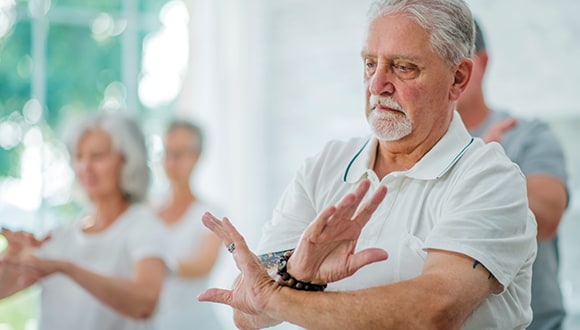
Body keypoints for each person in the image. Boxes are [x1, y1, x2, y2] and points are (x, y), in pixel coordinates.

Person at [197, 0, 538, 329]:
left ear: (458, 79)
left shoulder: (490, 179)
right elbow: (247, 314)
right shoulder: (325, 166)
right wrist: (298, 275)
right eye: (370, 64)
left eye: (403, 67)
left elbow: (432, 314)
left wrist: (277, 297)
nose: (377, 85)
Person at [0, 111, 167, 330]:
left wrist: (67, 268)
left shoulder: (143, 225)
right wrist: (9, 257)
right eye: (79, 156)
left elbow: (145, 303)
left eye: (97, 156)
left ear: (127, 160)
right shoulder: (61, 235)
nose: (85, 167)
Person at [457, 20, 569, 330]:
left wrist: (477, 171)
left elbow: (546, 218)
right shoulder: (404, 156)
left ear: (483, 61)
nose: (452, 74)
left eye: (458, 59)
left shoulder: (528, 135)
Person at [154, 120, 223, 329]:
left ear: (196, 157)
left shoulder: (211, 213)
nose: (170, 162)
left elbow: (204, 264)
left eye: (179, 154)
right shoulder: (147, 211)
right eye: (167, 153)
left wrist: (159, 265)